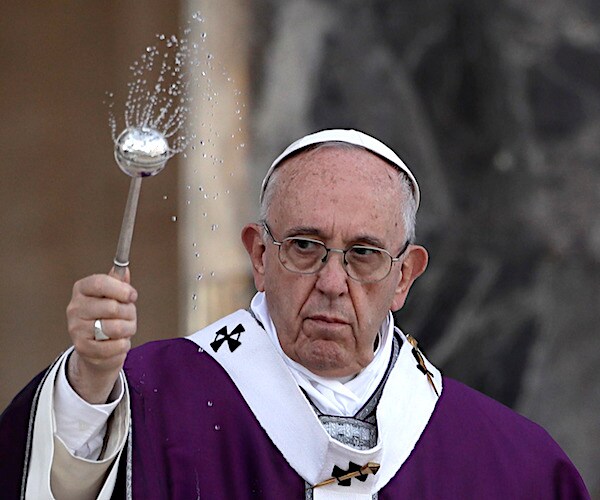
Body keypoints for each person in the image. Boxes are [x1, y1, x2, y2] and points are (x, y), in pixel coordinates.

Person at [0, 129, 589, 499]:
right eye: (305, 247)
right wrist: (89, 384)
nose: (333, 283)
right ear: (259, 254)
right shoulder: (152, 402)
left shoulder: (510, 466)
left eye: (363, 254)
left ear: (404, 276)